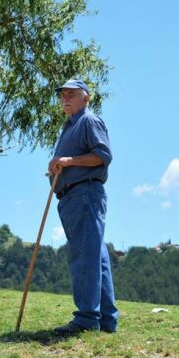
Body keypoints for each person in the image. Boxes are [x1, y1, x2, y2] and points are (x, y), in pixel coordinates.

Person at [48, 79, 119, 335]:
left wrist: (68, 160)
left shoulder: (89, 121)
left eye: (72, 94)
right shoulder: (70, 126)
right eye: (63, 95)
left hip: (84, 194)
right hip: (72, 196)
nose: (65, 98)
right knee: (95, 257)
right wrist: (56, 168)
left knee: (83, 255)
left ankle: (87, 318)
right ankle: (106, 321)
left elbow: (103, 156)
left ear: (86, 97)